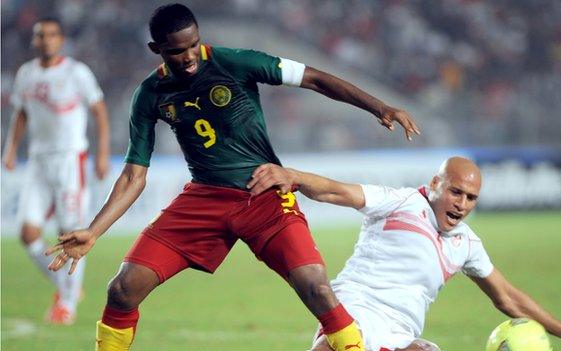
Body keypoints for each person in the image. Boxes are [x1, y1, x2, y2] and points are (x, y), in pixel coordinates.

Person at [45, 3, 419, 350]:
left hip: (265, 195)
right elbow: (133, 175)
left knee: (318, 290)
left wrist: (378, 106)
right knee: (122, 290)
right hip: (204, 200)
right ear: (155, 48)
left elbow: (315, 79)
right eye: (177, 50)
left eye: (193, 45)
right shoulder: (150, 94)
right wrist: (94, 232)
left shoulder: (236, 62)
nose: (189, 57)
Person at [246, 159, 561, 351]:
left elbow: (508, 298)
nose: (462, 204)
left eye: (471, 198)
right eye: (456, 192)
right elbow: (334, 191)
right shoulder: (401, 203)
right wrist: (292, 175)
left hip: (403, 334)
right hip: (355, 313)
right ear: (435, 186)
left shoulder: (467, 244)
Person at [2, 17, 110, 325]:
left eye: (51, 34)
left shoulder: (76, 72)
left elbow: (99, 112)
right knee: (28, 233)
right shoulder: (26, 74)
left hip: (70, 160)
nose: (46, 40)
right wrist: (10, 149)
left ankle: (66, 305)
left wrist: (101, 154)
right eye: (41, 35)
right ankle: (66, 288)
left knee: (70, 233)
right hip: (38, 161)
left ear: (60, 39)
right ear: (34, 41)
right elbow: (21, 113)